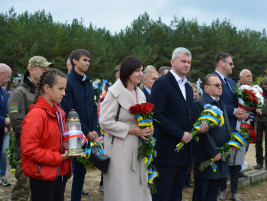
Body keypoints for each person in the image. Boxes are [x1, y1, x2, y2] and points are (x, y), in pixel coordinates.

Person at [151, 47, 207, 201]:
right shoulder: (162, 83)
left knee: (177, 194)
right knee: (162, 194)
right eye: (183, 61)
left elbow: (187, 116)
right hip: (167, 150)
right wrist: (179, 133)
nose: (187, 65)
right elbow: (156, 115)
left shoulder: (188, 88)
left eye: (189, 62)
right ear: (172, 62)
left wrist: (198, 126)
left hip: (185, 151)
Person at [99, 56, 152, 201]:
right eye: (137, 70)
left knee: (138, 188)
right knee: (121, 189)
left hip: (138, 148)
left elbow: (141, 119)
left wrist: (147, 129)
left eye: (142, 70)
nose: (141, 74)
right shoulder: (113, 93)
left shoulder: (140, 93)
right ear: (127, 71)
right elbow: (104, 121)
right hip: (119, 148)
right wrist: (132, 130)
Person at [21, 69, 72, 201]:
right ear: (47, 88)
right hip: (42, 176)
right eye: (60, 89)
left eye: (64, 89)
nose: (64, 93)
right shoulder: (36, 115)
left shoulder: (59, 113)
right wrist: (58, 157)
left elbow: (57, 141)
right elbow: (29, 149)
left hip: (60, 173)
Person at [8, 55, 52, 200]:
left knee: (38, 192)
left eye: (48, 69)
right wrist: (40, 136)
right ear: (32, 70)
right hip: (27, 152)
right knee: (23, 191)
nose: (47, 72)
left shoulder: (44, 91)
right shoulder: (19, 93)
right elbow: (17, 121)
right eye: (43, 69)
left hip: (44, 151)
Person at [60, 49, 98, 201]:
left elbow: (93, 107)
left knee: (81, 172)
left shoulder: (87, 81)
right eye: (84, 60)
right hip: (75, 133)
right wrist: (87, 131)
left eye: (89, 60)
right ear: (74, 61)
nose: (88, 63)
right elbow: (69, 110)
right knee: (73, 171)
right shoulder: (67, 82)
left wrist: (94, 129)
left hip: (89, 132)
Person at [214, 53, 249, 201]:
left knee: (237, 162)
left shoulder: (232, 83)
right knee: (224, 161)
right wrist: (234, 111)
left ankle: (234, 192)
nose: (233, 66)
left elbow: (240, 104)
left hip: (237, 127)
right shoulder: (212, 80)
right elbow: (214, 103)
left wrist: (245, 113)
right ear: (221, 63)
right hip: (221, 129)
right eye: (230, 63)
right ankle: (222, 190)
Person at [192, 74, 230, 201]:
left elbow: (225, 127)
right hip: (206, 156)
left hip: (221, 154)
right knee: (202, 191)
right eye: (217, 85)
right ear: (206, 88)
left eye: (221, 85)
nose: (220, 87)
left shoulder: (220, 102)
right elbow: (202, 133)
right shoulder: (200, 103)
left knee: (213, 192)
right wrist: (213, 152)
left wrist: (229, 145)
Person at [0, 63, 11, 186]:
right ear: (0, 74)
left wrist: (5, 126)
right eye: (8, 77)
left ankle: (2, 175)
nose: (9, 80)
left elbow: (4, 111)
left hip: (3, 131)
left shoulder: (3, 92)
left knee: (4, 153)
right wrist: (4, 121)